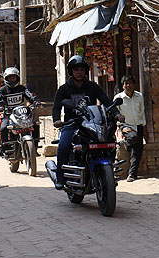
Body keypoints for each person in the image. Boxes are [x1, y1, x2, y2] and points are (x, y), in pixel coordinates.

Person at [52, 55, 125, 190]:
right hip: (72, 124)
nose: (79, 72)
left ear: (85, 71)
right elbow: (56, 107)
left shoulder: (92, 87)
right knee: (64, 145)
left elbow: (106, 101)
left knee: (108, 141)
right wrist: (56, 120)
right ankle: (60, 176)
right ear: (71, 72)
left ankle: (108, 170)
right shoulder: (64, 89)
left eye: (81, 69)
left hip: (91, 123)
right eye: (76, 70)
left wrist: (117, 113)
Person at [0, 67, 39, 152]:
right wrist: (0, 107)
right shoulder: (1, 91)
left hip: (22, 113)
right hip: (9, 114)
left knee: (35, 124)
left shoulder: (22, 88)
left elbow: (29, 96)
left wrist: (35, 102)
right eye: (10, 77)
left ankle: (35, 147)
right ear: (6, 78)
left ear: (17, 78)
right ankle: (5, 148)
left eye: (13, 77)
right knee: (3, 128)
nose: (12, 79)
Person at [114, 75, 146, 182]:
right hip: (126, 126)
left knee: (137, 151)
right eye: (126, 83)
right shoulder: (118, 98)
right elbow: (115, 114)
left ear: (134, 84)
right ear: (123, 85)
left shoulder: (139, 96)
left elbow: (142, 112)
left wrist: (144, 127)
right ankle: (127, 144)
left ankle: (132, 174)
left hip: (138, 125)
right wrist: (121, 128)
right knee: (133, 138)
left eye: (130, 83)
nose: (128, 85)